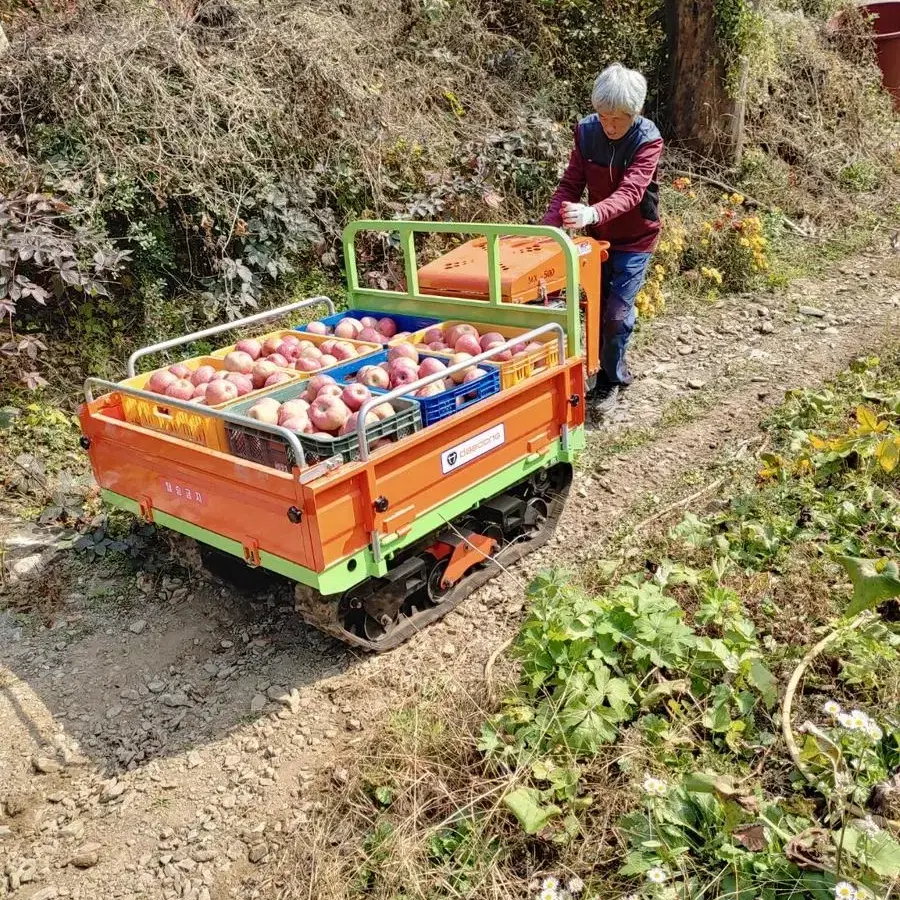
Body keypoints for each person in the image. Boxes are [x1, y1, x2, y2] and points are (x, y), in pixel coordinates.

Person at [542, 63, 663, 417]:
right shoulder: (586, 132)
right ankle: (592, 369)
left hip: (635, 237)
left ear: (635, 114)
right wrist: (550, 227)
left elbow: (632, 191)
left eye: (618, 119)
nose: (609, 126)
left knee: (616, 313)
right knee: (591, 306)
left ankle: (613, 379)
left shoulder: (647, 139)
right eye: (603, 116)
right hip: (596, 238)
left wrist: (592, 213)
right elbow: (570, 183)